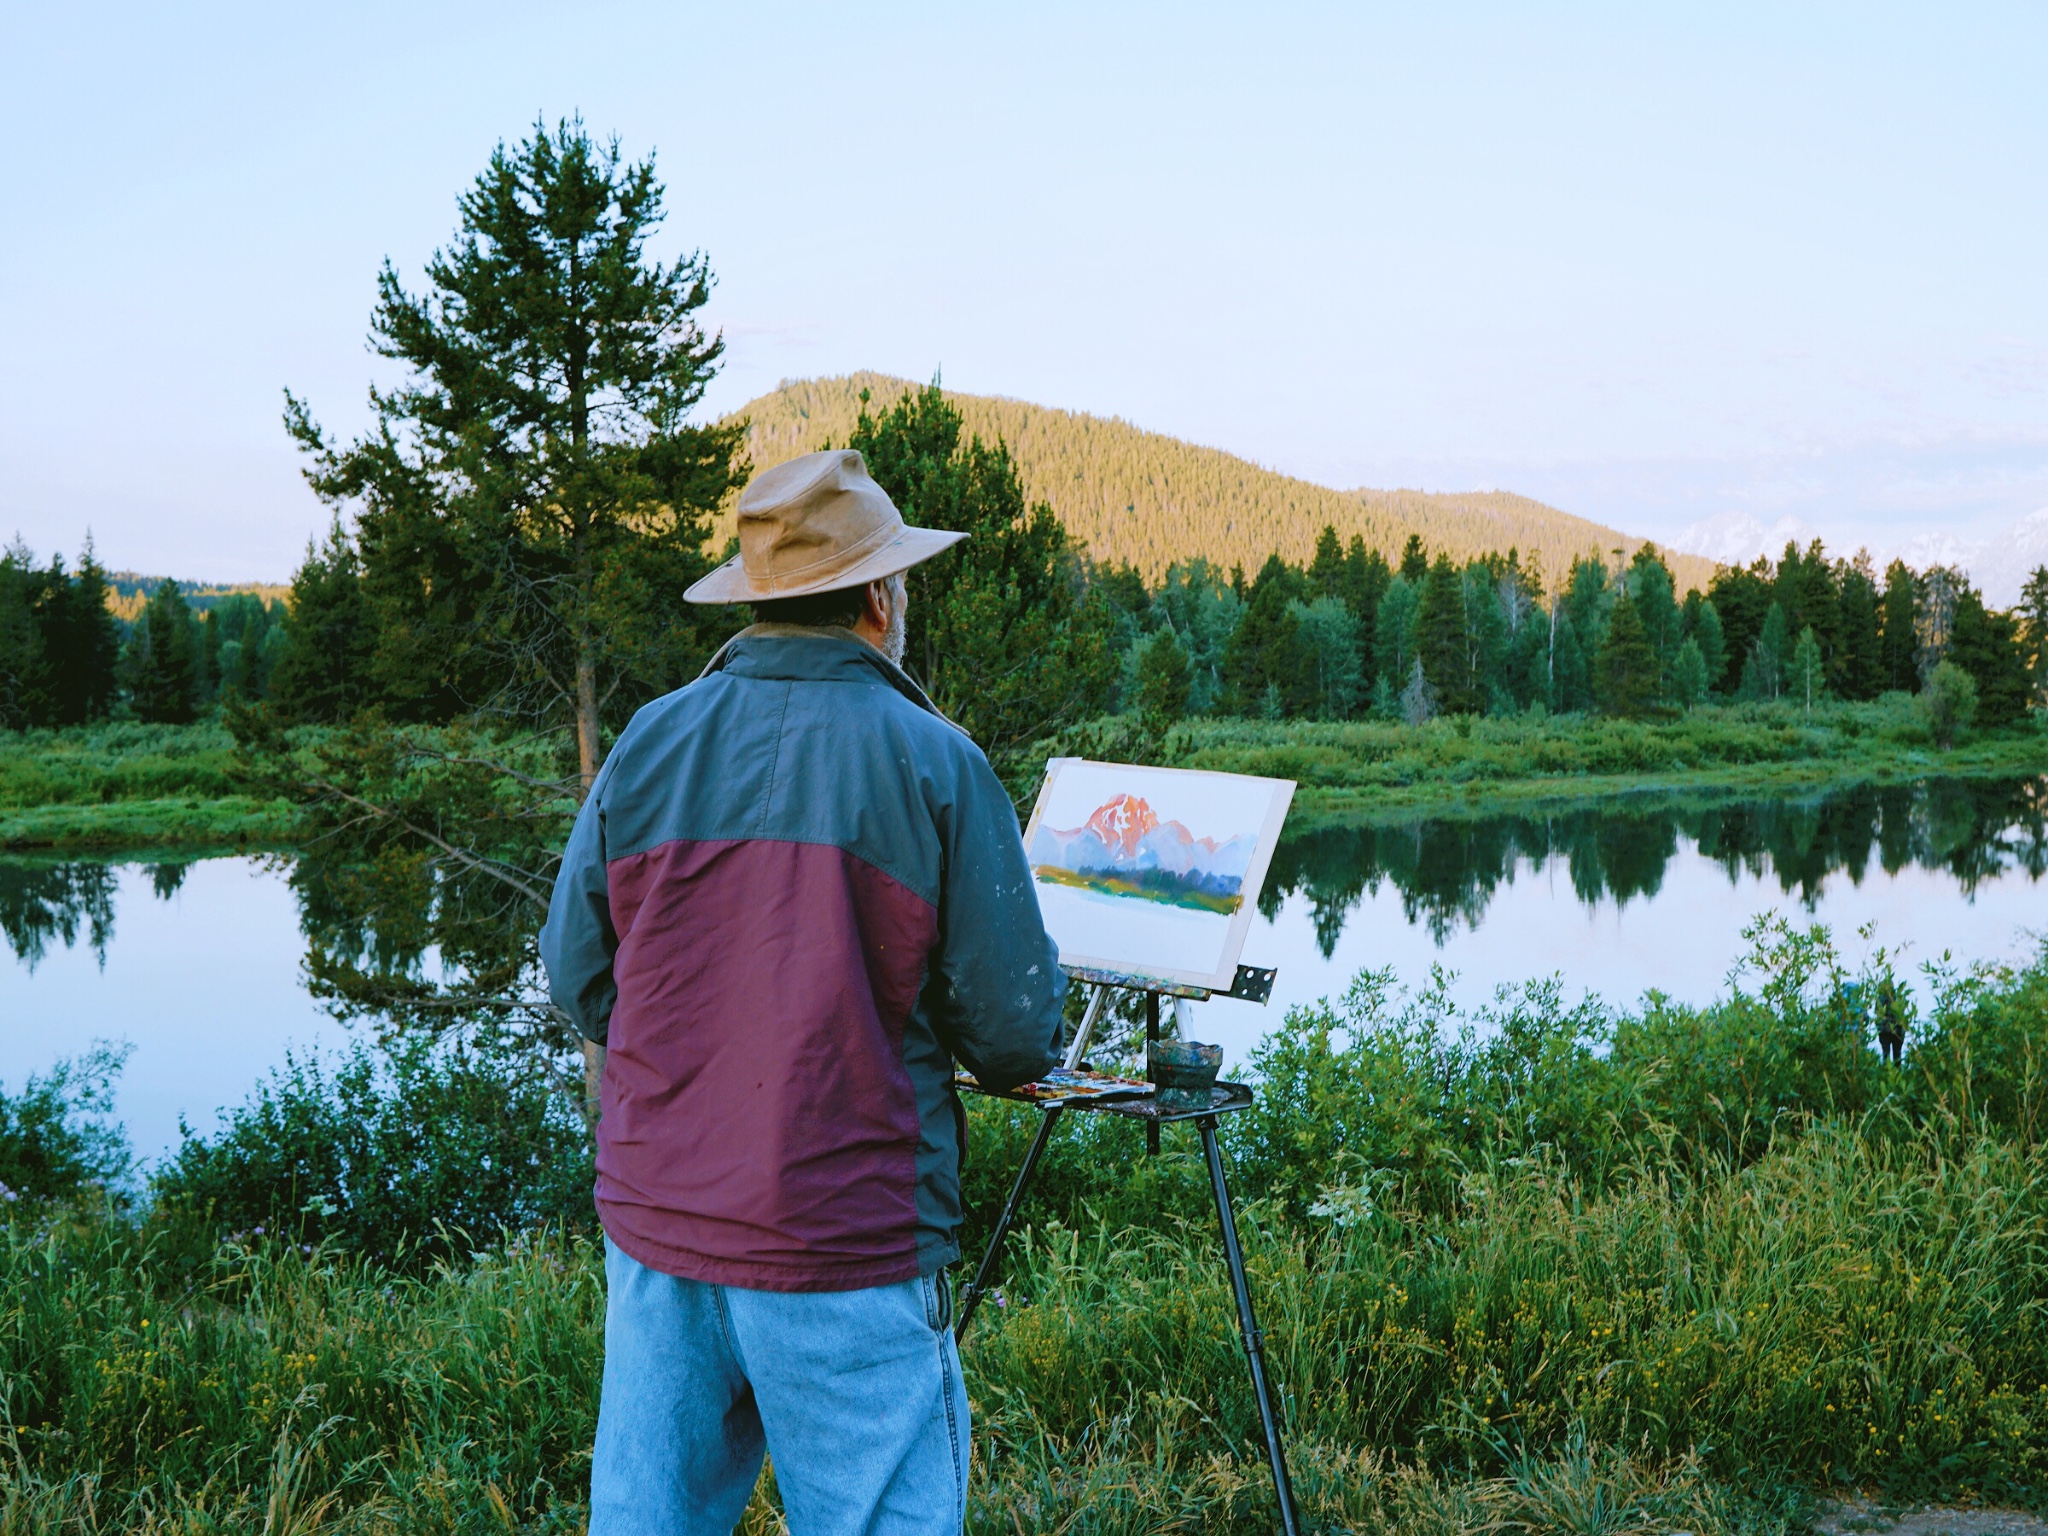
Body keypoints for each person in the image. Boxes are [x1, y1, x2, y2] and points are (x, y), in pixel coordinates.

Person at [540, 448, 1066, 1536]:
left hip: (659, 1229)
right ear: (879, 597)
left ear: (763, 600)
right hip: (847, 1233)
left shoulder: (648, 742)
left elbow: (578, 974)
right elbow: (1014, 1032)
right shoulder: (935, 759)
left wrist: (689, 1068)